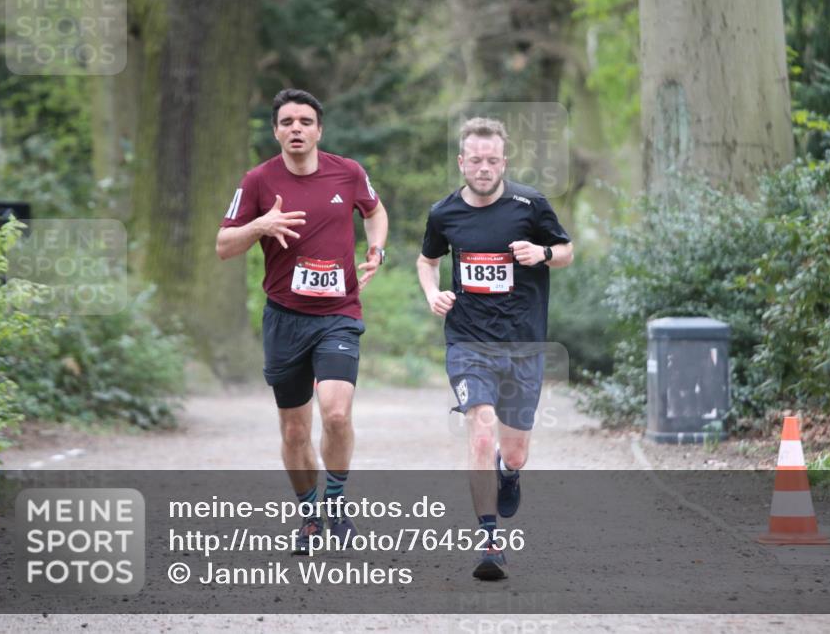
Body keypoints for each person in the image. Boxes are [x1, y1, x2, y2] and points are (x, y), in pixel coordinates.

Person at [216, 88, 388, 551]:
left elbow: (375, 211)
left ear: (319, 130)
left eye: (305, 121)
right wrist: (259, 227)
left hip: (338, 314)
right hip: (285, 318)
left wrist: (376, 249)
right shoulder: (257, 181)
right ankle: (309, 515)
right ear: (275, 131)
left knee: (335, 412)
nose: (297, 128)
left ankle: (335, 504)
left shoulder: (347, 172)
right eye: (287, 122)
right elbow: (223, 245)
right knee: (294, 429)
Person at [416, 117, 573, 580]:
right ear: (462, 162)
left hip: (524, 344)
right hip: (468, 342)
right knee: (481, 432)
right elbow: (427, 262)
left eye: (492, 160)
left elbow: (566, 249)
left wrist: (542, 254)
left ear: (503, 162)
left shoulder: (530, 204)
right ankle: (489, 542)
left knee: (515, 450)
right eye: (475, 160)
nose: (483, 168)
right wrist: (432, 294)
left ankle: (510, 470)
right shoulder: (444, 213)